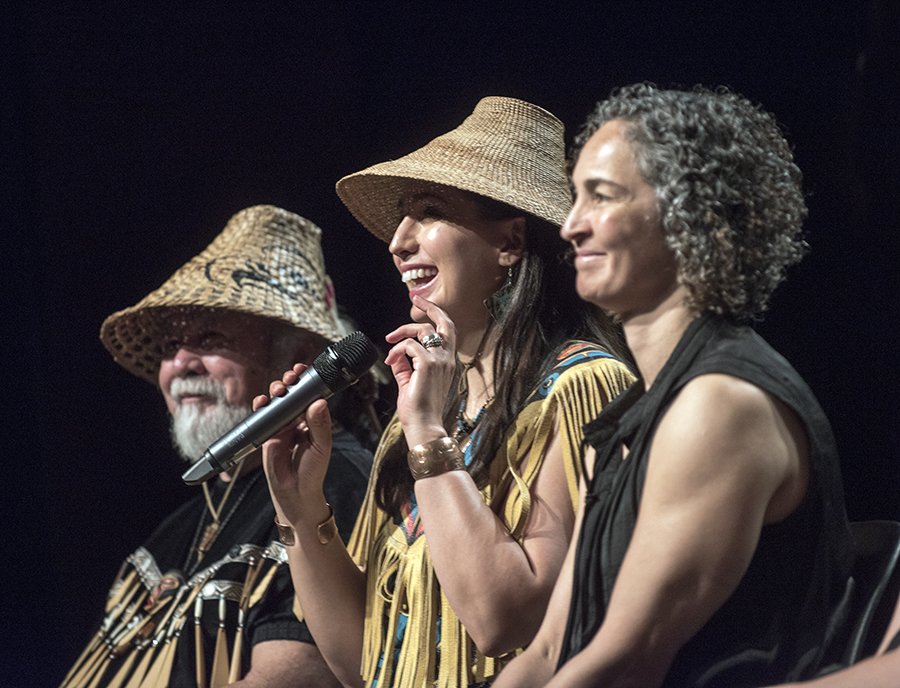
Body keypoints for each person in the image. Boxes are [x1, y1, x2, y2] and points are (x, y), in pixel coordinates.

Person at [255, 97, 636, 687]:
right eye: (400, 219)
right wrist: (301, 513)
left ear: (510, 243)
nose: (397, 241)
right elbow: (366, 666)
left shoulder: (583, 388)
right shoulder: (420, 418)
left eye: (428, 212)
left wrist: (428, 436)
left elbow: (503, 619)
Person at [494, 84, 853, 688]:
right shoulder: (626, 420)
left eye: (600, 197)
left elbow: (628, 660)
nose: (569, 226)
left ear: (691, 216)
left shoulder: (721, 404)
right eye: (573, 197)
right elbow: (550, 647)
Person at [60, 205, 374, 688]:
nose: (181, 362)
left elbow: (297, 676)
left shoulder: (336, 482)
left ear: (299, 356)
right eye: (168, 347)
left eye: (209, 338)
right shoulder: (179, 523)